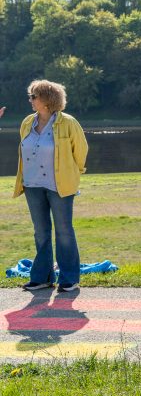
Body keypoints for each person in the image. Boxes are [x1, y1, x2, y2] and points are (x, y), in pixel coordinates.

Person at [13, 81, 88, 293]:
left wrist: (74, 172)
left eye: (33, 96)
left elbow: (80, 151)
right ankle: (42, 278)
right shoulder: (27, 122)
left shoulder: (68, 123)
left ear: (47, 99)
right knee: (41, 232)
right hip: (32, 185)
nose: (30, 100)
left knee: (64, 231)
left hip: (59, 186)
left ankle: (69, 278)